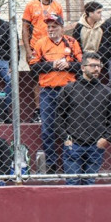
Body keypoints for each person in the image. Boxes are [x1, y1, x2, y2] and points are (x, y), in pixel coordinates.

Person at [28, 14, 82, 173]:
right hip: (48, 92)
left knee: (71, 128)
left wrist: (67, 65)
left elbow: (81, 66)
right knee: (47, 129)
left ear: (62, 28)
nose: (51, 29)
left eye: (54, 26)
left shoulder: (72, 43)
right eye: (49, 26)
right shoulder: (40, 43)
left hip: (69, 91)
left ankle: (71, 164)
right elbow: (33, 68)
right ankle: (51, 164)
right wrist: (52, 65)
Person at [55, 52, 111, 185]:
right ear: (83, 67)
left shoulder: (107, 92)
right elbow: (58, 116)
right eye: (92, 66)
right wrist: (65, 138)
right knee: (72, 184)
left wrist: (106, 139)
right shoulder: (69, 89)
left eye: (99, 66)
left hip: (96, 145)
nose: (97, 69)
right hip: (73, 145)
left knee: (90, 185)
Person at [22, 0, 64, 122]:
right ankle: (38, 110)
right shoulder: (31, 5)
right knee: (37, 79)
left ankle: (57, 109)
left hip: (53, 48)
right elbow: (25, 28)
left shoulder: (57, 6)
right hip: (36, 47)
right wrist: (28, 50)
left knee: (54, 76)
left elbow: (60, 27)